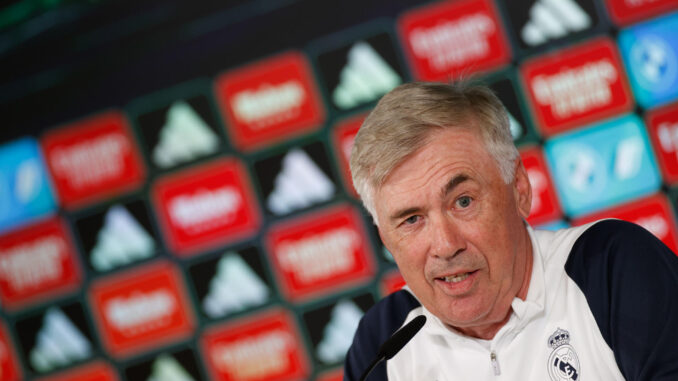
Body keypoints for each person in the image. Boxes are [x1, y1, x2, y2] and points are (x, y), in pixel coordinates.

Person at [343, 81, 678, 380]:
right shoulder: (383, 343)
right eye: (412, 219)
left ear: (519, 187)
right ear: (385, 237)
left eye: (463, 202)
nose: (446, 246)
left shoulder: (610, 267)